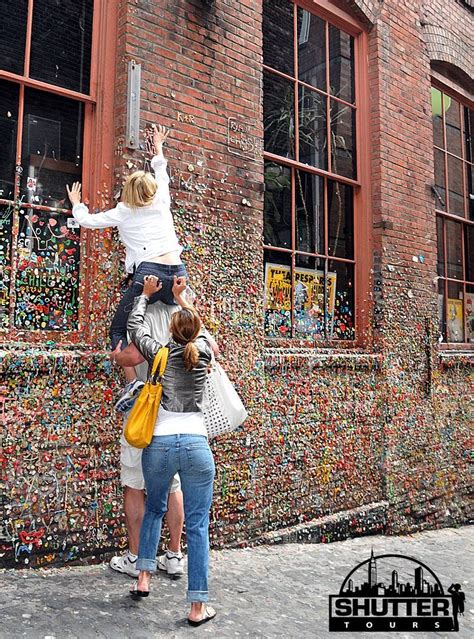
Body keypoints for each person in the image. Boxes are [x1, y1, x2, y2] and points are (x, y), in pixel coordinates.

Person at [66, 124, 186, 412]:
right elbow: (162, 171)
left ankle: (133, 381)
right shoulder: (162, 200)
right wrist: (157, 144)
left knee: (118, 329)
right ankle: (170, 360)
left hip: (150, 274)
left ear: (128, 193)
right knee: (178, 319)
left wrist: (75, 205)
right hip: (179, 274)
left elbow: (88, 221)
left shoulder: (123, 211)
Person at [127, 274, 217, 627]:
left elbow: (136, 328)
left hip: (161, 443)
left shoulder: (160, 353)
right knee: (197, 526)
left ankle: (144, 578)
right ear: (194, 331)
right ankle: (197, 607)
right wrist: (183, 301)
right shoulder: (205, 349)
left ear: (171, 332)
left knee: (154, 510)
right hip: (196, 445)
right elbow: (200, 328)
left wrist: (146, 296)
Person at [109, 300, 186, 579]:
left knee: (134, 484)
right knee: (172, 485)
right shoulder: (181, 313)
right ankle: (175, 555)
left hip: (143, 411)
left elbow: (134, 357)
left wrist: (118, 359)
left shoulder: (137, 314)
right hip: (173, 415)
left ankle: (136, 557)